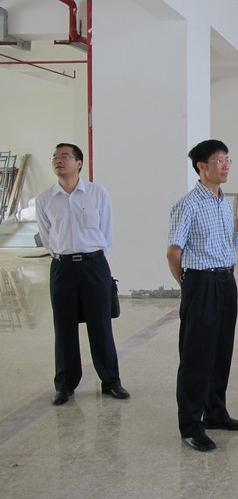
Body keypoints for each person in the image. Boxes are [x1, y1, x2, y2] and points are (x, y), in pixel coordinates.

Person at [167, 139, 238, 452]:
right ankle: (190, 425)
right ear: (202, 166)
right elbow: (173, 252)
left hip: (226, 281)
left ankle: (215, 412)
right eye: (219, 161)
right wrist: (188, 285)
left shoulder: (225, 203)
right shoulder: (187, 204)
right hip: (201, 282)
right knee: (196, 356)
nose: (225, 166)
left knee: (221, 350)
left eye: (228, 160)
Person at [36, 143, 129, 406]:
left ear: (79, 163)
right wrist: (64, 255)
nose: (58, 161)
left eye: (65, 156)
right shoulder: (45, 199)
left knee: (101, 324)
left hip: (94, 265)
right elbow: (47, 237)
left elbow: (106, 233)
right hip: (62, 267)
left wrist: (91, 257)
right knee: (63, 326)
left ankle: (111, 381)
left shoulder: (98, 194)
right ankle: (65, 384)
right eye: (55, 157)